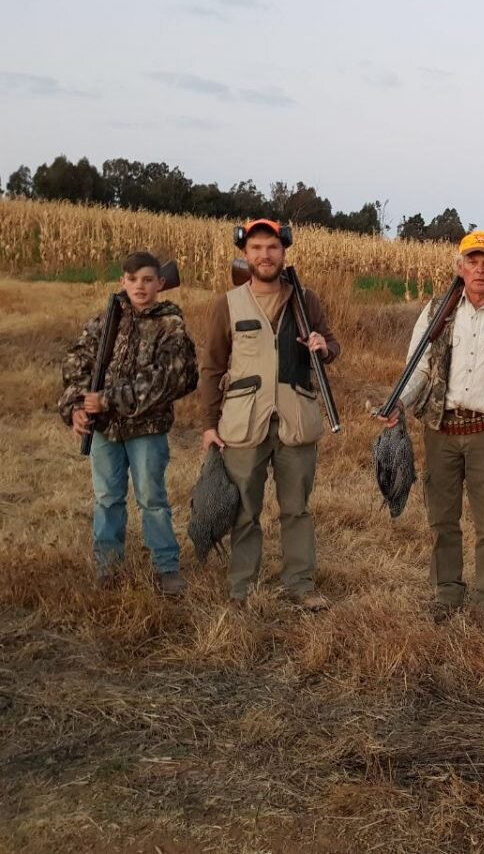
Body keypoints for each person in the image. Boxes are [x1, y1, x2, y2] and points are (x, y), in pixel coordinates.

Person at [386, 230, 484, 639]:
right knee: (442, 519)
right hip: (440, 429)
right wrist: (400, 404)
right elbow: (417, 368)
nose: (479, 269)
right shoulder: (438, 311)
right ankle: (447, 594)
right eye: (471, 261)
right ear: (460, 267)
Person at [198, 219, 340, 610]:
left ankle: (301, 584)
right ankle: (241, 587)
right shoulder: (227, 304)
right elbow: (211, 368)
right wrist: (209, 425)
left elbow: (332, 346)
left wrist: (321, 346)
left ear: (284, 252)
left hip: (296, 419)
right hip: (244, 423)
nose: (265, 255)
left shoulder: (305, 299)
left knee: (296, 509)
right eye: (257, 248)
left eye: (273, 247)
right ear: (246, 254)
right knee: (245, 510)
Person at [59, 251, 198, 595]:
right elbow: (77, 364)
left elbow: (169, 379)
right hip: (105, 429)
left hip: (146, 431)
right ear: (123, 281)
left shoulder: (171, 325)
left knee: (152, 498)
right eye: (133, 279)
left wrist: (108, 398)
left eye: (148, 279)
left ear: (160, 283)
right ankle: (108, 569)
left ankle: (166, 568)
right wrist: (77, 407)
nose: (140, 286)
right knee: (107, 498)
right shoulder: (105, 320)